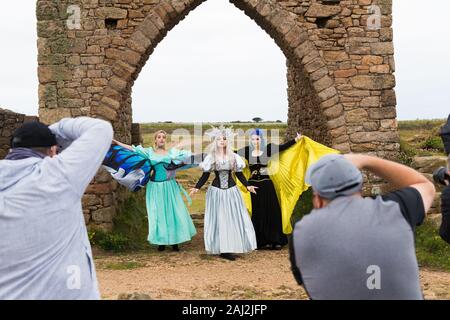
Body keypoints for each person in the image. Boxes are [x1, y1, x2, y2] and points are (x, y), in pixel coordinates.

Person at [289, 153, 436, 300]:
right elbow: (426, 186)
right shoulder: (395, 209)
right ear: (360, 189)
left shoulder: (301, 232)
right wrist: (367, 160)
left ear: (318, 199)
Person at [0, 117, 113, 299]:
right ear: (53, 150)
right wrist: (54, 130)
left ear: (12, 150)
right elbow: (101, 129)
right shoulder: (57, 176)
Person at [113, 130, 196, 252]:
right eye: (159, 137)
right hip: (155, 187)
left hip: (170, 186)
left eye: (164, 137)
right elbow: (133, 149)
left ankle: (175, 242)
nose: (161, 139)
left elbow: (187, 158)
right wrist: (116, 143)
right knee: (158, 213)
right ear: (155, 140)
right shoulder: (149, 152)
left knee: (172, 212)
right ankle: (161, 242)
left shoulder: (171, 153)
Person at [189, 126, 258, 261]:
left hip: (231, 192)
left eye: (224, 139)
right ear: (215, 141)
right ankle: (223, 249)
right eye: (219, 139)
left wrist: (248, 186)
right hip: (217, 192)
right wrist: (197, 187)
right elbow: (205, 176)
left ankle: (231, 246)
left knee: (232, 218)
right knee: (220, 219)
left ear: (227, 141)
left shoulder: (233, 157)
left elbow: (239, 174)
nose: (222, 141)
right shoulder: (212, 157)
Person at [236, 130, 302, 250]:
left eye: (258, 139)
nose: (255, 141)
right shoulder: (246, 151)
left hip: (267, 185)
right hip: (253, 186)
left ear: (262, 139)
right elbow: (233, 153)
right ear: (250, 140)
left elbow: (283, 147)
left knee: (271, 211)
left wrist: (296, 140)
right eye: (253, 139)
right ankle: (258, 241)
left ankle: (275, 240)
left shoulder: (269, 149)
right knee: (257, 212)